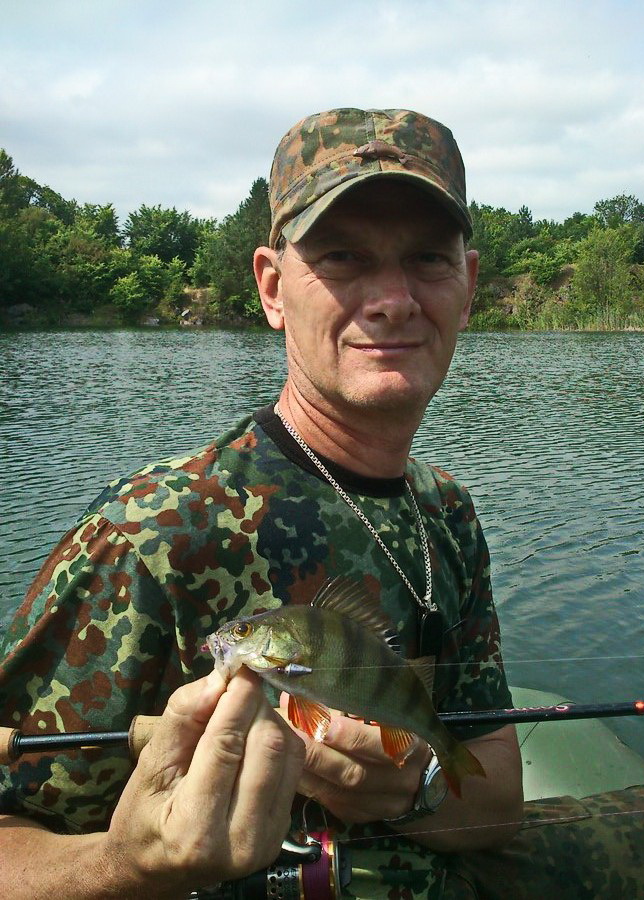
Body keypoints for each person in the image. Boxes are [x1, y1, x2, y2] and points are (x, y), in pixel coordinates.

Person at [0, 108, 524, 897]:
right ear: (273, 289)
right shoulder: (154, 529)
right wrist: (122, 864)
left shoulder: (445, 511)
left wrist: (411, 788)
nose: (393, 299)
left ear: (469, 285)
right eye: (342, 257)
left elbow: (500, 798)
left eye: (426, 258)